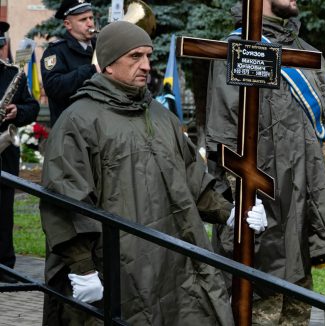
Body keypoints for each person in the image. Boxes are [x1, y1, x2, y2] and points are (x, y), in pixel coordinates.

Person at [39, 21, 241, 325]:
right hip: (116, 267)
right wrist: (82, 268)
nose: (146, 65)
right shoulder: (79, 121)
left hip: (171, 264)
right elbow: (66, 201)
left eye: (148, 56)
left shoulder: (161, 117)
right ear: (107, 64)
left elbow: (192, 178)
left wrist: (229, 212)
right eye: (135, 57)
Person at [205, 0, 325, 324]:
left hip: (300, 207)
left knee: (297, 309)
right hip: (260, 209)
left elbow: (324, 130)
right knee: (258, 310)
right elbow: (223, 138)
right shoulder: (237, 50)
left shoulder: (308, 54)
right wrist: (241, 202)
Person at [0, 20, 41, 283]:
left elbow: (32, 107)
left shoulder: (13, 74)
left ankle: (5, 266)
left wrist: (18, 112)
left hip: (4, 152)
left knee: (4, 211)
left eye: (1, 45)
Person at [41, 0, 98, 127]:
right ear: (68, 24)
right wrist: (90, 70)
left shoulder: (100, 46)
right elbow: (53, 86)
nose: (90, 23)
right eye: (83, 20)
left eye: (91, 18)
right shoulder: (55, 51)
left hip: (99, 125)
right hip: (69, 129)